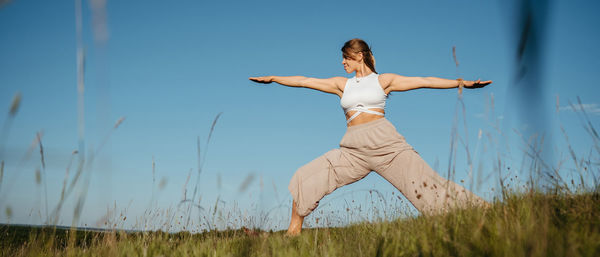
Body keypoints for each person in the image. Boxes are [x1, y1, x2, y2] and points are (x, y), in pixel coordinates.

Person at [249, 38, 492, 236]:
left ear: (360, 56)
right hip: (353, 149)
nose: (342, 62)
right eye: (342, 58)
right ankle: (293, 232)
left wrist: (463, 83)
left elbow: (425, 81)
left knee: (426, 185)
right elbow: (305, 81)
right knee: (307, 175)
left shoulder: (382, 81)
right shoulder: (341, 84)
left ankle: (482, 213)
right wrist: (274, 79)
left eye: (346, 57)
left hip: (387, 146)